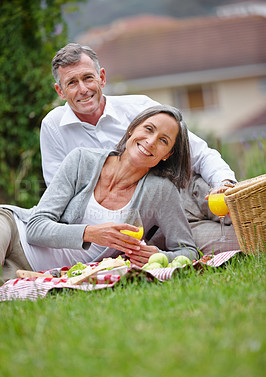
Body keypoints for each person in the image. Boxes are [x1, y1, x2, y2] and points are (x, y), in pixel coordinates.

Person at [40, 43, 239, 254]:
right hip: (151, 225)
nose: (83, 89)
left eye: (88, 78)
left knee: (247, 212)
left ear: (102, 78)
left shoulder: (138, 107)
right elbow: (61, 195)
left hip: (189, 191)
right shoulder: (53, 127)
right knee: (242, 242)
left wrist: (224, 183)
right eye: (72, 82)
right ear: (60, 91)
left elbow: (200, 154)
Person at [0, 105, 198, 284]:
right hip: (14, 230)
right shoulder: (81, 160)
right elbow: (35, 229)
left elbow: (189, 251)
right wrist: (91, 233)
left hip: (37, 273)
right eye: (148, 129)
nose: (151, 141)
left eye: (163, 140)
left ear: (167, 155)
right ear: (132, 129)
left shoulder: (161, 191)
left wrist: (158, 255)